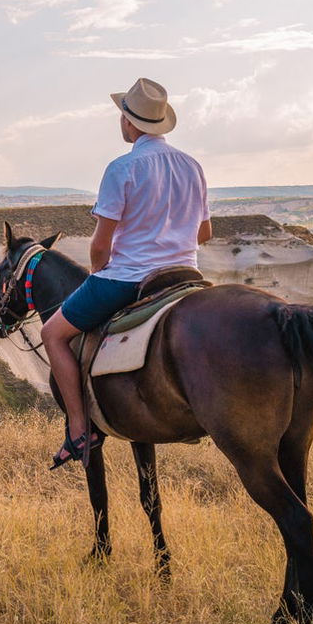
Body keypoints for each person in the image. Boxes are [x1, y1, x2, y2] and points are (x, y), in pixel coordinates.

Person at [40, 77, 212, 468]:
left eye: (122, 115)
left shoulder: (123, 168)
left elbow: (100, 246)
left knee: (52, 333)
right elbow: (204, 232)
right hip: (186, 275)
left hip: (130, 276)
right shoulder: (192, 165)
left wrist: (98, 271)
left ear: (130, 123)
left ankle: (80, 430)